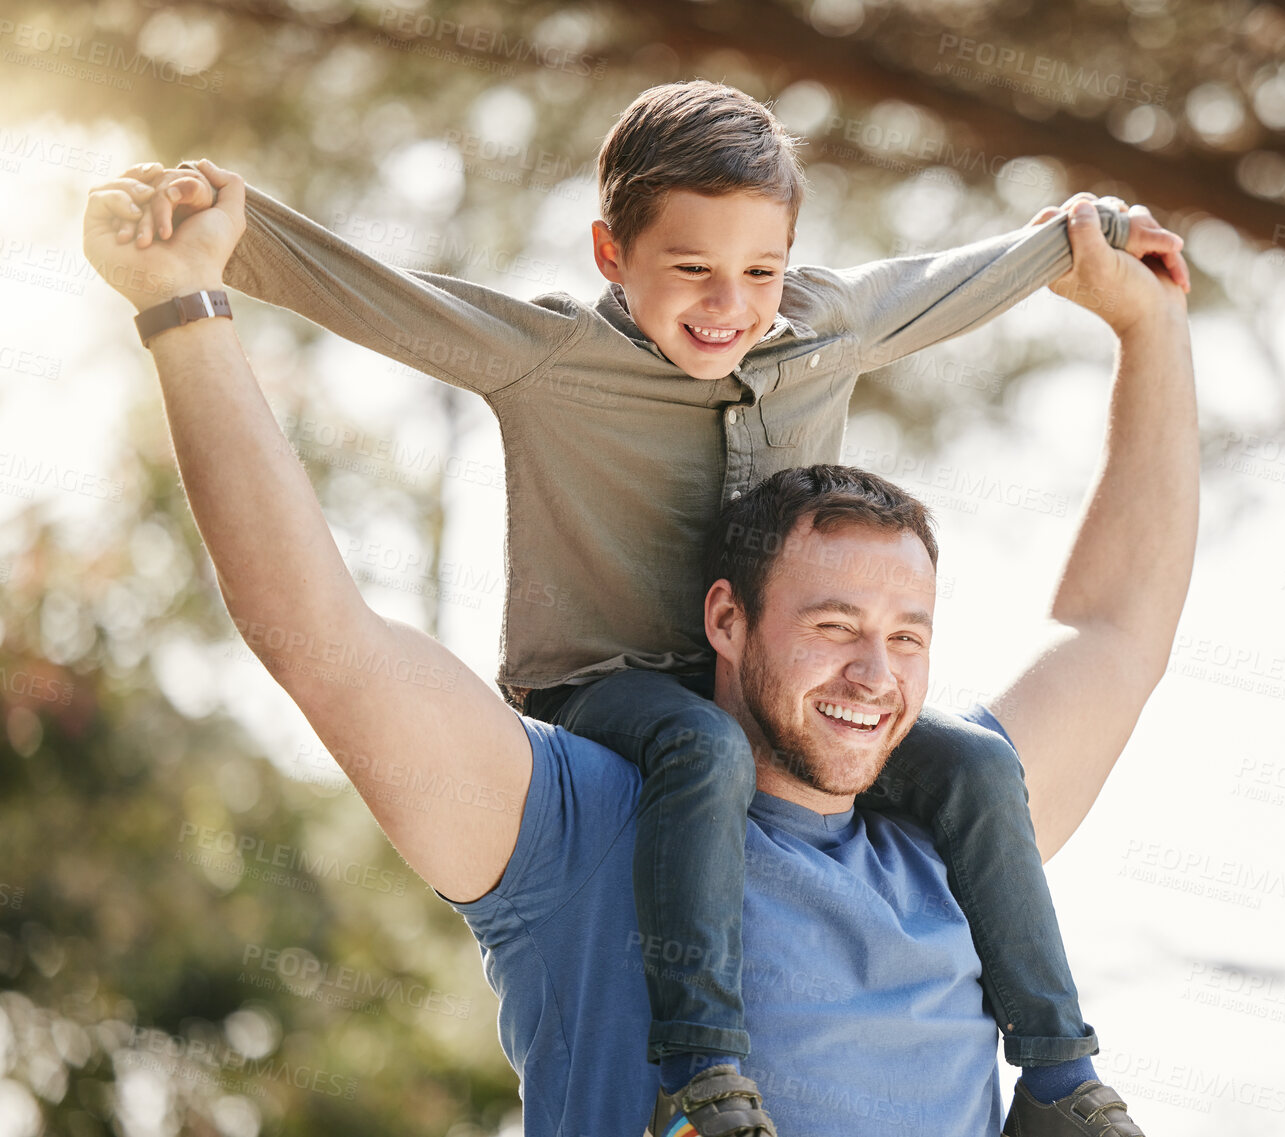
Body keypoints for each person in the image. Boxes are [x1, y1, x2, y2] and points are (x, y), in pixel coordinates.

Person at [116, 79, 1193, 1132]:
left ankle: (1062, 1082)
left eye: (906, 635)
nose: (875, 671)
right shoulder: (581, 829)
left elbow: (1120, 631)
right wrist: (198, 283)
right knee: (702, 752)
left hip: (760, 762)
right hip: (607, 700)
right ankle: (704, 1073)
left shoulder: (954, 844)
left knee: (972, 756)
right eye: (832, 627)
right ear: (728, 617)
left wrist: (1136, 306)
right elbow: (323, 637)